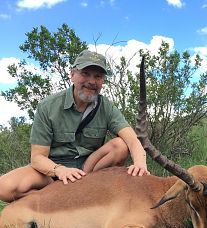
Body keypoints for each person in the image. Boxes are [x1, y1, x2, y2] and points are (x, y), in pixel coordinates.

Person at [0, 50, 149, 203]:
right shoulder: (48, 106)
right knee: (4, 187)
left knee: (121, 145)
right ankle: (52, 201)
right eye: (85, 73)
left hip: (88, 172)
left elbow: (132, 141)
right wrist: (60, 170)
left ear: (102, 81)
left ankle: (90, 193)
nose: (91, 81)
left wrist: (140, 164)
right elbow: (37, 157)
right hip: (52, 173)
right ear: (72, 74)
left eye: (97, 76)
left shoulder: (106, 107)